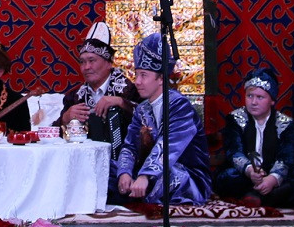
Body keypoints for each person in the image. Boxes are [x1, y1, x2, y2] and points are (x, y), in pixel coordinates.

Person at [115, 32, 211, 205]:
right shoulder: (142, 109)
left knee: (162, 178)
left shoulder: (179, 105)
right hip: (149, 169)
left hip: (186, 174)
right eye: (137, 75)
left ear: (160, 78)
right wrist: (124, 173)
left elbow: (168, 145)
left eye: (144, 75)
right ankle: (132, 190)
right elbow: (130, 146)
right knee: (106, 168)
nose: (137, 82)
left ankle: (134, 194)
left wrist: (145, 175)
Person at [57, 21, 140, 199]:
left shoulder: (129, 90)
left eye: (92, 61)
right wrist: (65, 118)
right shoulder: (74, 97)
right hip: (83, 167)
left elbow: (148, 120)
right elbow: (56, 135)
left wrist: (121, 102)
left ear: (109, 63)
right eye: (82, 62)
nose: (86, 67)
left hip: (124, 167)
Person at [214, 66, 294, 207]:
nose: (253, 102)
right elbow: (234, 152)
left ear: (272, 100)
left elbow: (287, 157)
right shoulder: (235, 119)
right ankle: (262, 197)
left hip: (273, 175)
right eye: (250, 96)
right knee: (228, 177)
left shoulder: (286, 124)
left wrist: (272, 179)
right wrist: (250, 171)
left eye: (260, 97)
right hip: (246, 175)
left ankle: (256, 196)